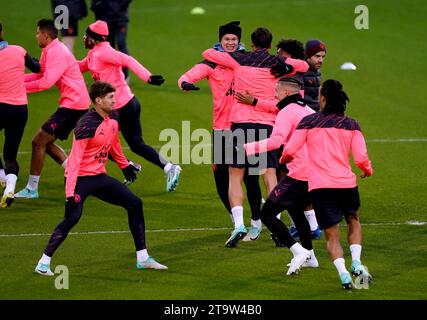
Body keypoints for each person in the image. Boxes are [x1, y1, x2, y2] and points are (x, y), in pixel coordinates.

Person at [34, 81, 167, 276]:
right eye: (111, 97)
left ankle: (143, 258)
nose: (115, 100)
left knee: (135, 204)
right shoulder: (86, 126)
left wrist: (124, 165)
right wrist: (70, 193)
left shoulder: (113, 116)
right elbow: (73, 162)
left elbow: (114, 144)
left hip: (98, 177)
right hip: (79, 179)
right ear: (98, 100)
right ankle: (43, 263)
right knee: (72, 218)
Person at [202, 27, 309, 247]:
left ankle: (239, 224)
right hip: (266, 126)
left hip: (240, 124)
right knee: (269, 175)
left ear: (251, 44)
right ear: (270, 45)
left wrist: (232, 52)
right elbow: (305, 65)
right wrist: (287, 64)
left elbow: (207, 53)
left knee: (235, 176)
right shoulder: (277, 65)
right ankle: (276, 225)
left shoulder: (239, 59)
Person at [281, 79, 373, 289]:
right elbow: (360, 158)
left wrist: (283, 160)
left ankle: (343, 275)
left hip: (321, 187)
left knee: (332, 235)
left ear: (322, 98)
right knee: (353, 220)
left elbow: (290, 150)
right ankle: (356, 262)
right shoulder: (352, 124)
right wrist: (367, 170)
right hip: (346, 184)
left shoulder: (309, 122)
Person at [178, 21, 262, 240]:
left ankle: (256, 221)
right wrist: (185, 83)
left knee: (252, 178)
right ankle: (238, 223)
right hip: (222, 129)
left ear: (239, 41)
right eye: (227, 39)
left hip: (247, 125)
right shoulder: (211, 63)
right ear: (221, 41)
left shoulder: (247, 60)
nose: (231, 42)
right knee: (221, 180)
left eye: (234, 39)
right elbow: (189, 74)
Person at [235, 38, 322, 244]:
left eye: (280, 54)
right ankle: (309, 231)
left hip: (295, 130)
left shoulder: (294, 79)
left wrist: (255, 102)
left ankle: (309, 227)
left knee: (291, 179)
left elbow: (280, 108)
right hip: (303, 128)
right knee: (295, 182)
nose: (276, 58)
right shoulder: (301, 72)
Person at [78, 20, 181, 192]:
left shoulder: (105, 52)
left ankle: (124, 167)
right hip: (126, 104)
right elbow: (77, 66)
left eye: (87, 36)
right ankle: (170, 167)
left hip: (119, 108)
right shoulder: (93, 55)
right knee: (136, 144)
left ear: (94, 39)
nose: (84, 38)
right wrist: (47, 66)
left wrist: (148, 77)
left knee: (94, 138)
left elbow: (127, 59)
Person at [244, 76, 318, 275]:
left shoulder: (287, 111)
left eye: (276, 90)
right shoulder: (309, 110)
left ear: (286, 93)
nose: (274, 94)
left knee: (266, 214)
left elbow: (276, 141)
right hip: (314, 172)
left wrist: (246, 148)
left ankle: (297, 251)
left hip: (299, 174)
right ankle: (311, 257)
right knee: (295, 211)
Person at [14, 19, 90, 200]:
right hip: (73, 103)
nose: (36, 36)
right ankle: (75, 174)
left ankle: (32, 188)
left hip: (74, 105)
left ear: (46, 36)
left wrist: (18, 88)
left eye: (38, 33)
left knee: (38, 141)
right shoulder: (49, 49)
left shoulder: (57, 52)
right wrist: (17, 79)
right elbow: (41, 73)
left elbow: (46, 82)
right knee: (45, 143)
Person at [0, 22, 41, 207]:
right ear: (1, 32)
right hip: (20, 110)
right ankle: (9, 187)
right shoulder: (19, 51)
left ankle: (2, 177)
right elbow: (38, 68)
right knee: (10, 155)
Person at [90, 0, 132, 80]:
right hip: (103, 16)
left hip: (120, 17)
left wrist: (120, 5)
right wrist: (96, 4)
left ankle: (125, 76)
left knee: (121, 43)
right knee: (108, 47)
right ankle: (111, 75)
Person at [303, 39, 326, 112]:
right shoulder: (300, 71)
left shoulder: (316, 72)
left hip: (314, 114)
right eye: (317, 56)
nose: (321, 60)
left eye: (323, 57)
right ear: (308, 56)